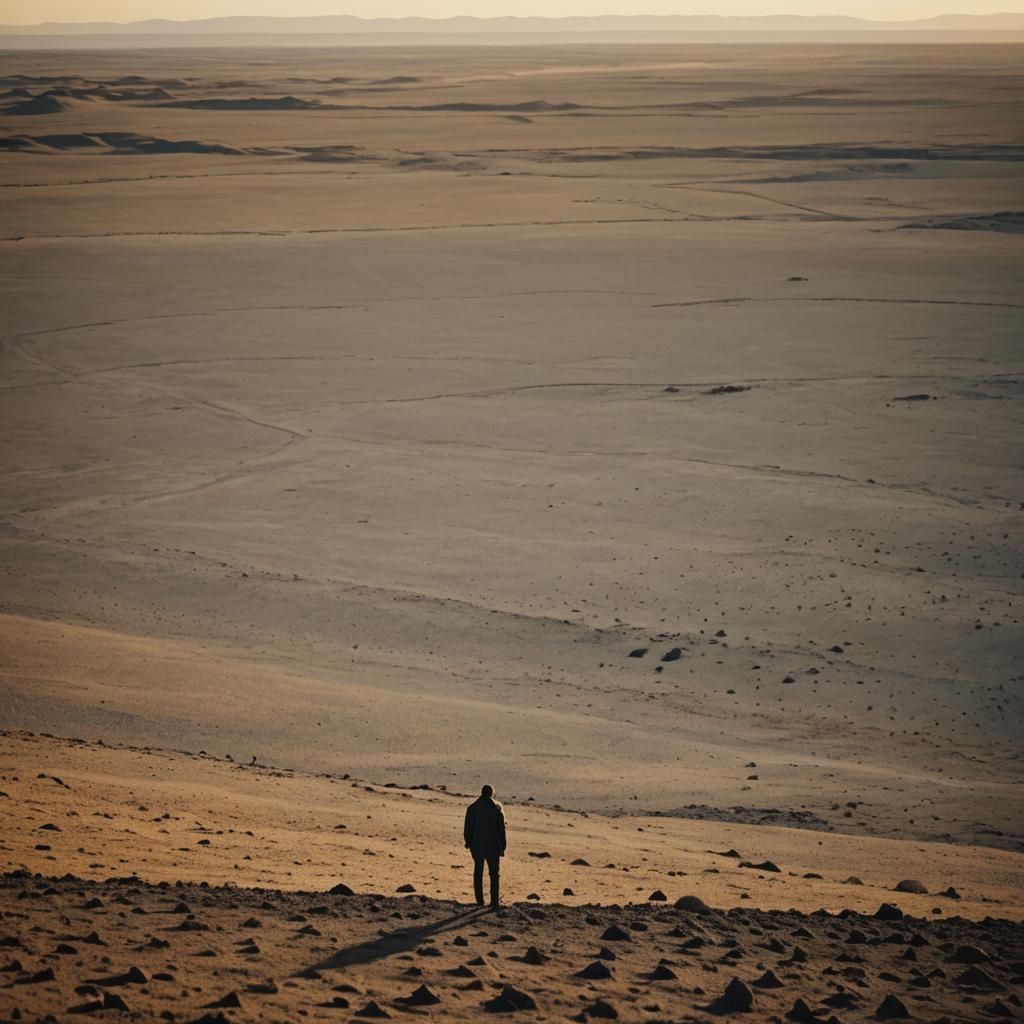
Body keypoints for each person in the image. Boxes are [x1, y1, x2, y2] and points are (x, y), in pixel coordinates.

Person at [463, 784, 506, 908]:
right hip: (493, 845)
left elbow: (468, 828)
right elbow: (501, 830)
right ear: (492, 793)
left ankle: (480, 901)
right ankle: (494, 901)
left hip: (477, 845)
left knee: (478, 872)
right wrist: (503, 846)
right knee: (494, 873)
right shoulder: (497, 808)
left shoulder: (472, 808)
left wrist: (468, 842)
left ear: (482, 793)